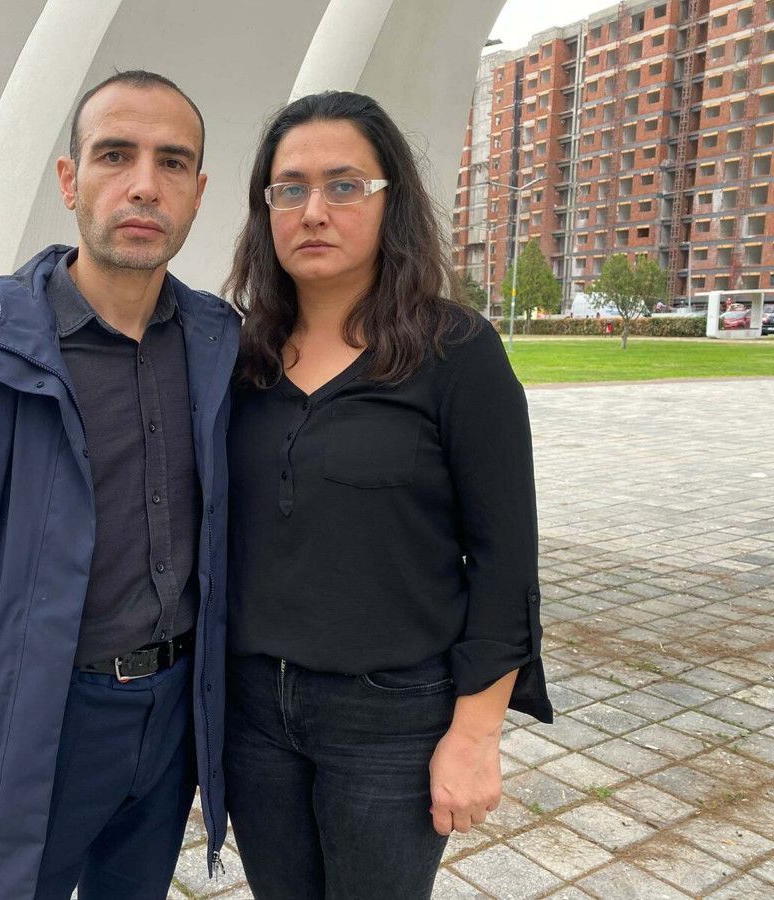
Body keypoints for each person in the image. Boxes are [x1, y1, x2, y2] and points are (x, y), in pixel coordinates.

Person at [0, 70, 239, 900]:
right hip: (37, 719)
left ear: (197, 192)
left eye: (172, 162)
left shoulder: (217, 343)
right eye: (115, 155)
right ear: (70, 181)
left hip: (172, 720)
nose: (144, 185)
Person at [222, 91, 553, 900]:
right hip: (252, 712)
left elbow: (506, 561)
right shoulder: (240, 356)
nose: (314, 210)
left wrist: (475, 736)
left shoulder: (456, 352)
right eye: (290, 188)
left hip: (392, 717)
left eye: (344, 185)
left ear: (390, 201)